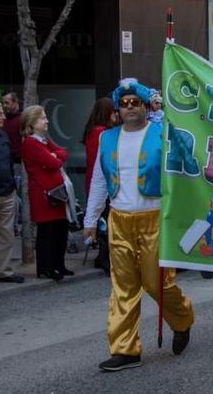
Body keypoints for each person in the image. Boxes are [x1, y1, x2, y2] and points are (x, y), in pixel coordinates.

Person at [83, 78, 194, 372]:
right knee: (123, 287)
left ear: (146, 106)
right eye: (124, 103)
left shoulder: (163, 134)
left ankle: (182, 318)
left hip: (155, 218)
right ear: (118, 108)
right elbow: (98, 179)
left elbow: (184, 171)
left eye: (136, 103)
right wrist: (91, 219)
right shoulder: (107, 138)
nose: (130, 108)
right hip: (119, 219)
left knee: (157, 284)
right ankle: (125, 350)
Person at [21, 105, 73, 281]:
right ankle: (45, 267)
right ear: (32, 122)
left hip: (56, 192)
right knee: (47, 232)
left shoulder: (43, 140)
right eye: (43, 118)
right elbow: (54, 162)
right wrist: (54, 156)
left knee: (60, 229)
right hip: (43, 194)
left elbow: (62, 153)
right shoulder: (30, 142)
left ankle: (59, 264)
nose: (47, 121)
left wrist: (54, 155)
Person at [0, 100, 26, 288]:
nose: (3, 117)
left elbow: (9, 160)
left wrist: (12, 184)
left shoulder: (3, 135)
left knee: (6, 233)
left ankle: (3, 271)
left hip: (7, 191)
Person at [82, 97, 117, 273]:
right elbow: (104, 163)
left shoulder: (92, 131)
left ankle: (103, 257)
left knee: (105, 221)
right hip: (102, 181)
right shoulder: (102, 134)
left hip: (92, 179)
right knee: (106, 222)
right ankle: (105, 257)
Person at [1, 92, 33, 263]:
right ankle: (15, 224)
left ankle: (23, 225)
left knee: (20, 196)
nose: (5, 106)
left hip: (18, 162)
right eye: (4, 103)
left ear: (15, 103)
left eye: (7, 102)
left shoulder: (21, 120)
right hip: (7, 162)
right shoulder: (4, 121)